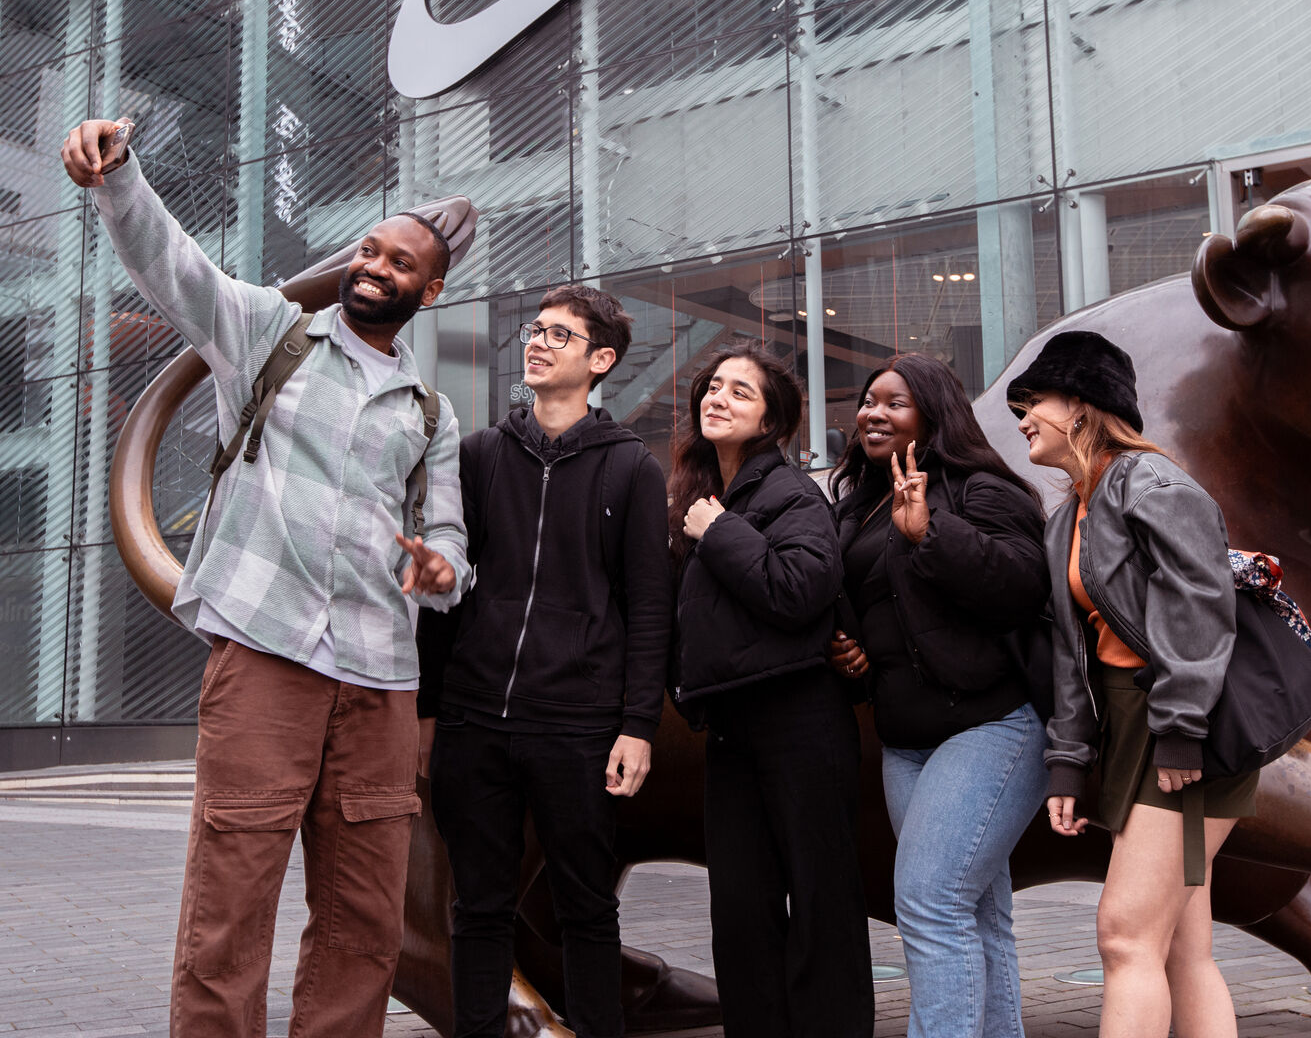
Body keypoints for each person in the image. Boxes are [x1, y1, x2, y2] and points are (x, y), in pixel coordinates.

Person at [60, 117, 471, 1038]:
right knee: (231, 902)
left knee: (366, 918)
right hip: (265, 654)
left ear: (430, 290)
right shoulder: (268, 336)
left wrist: (444, 566)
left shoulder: (430, 412)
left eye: (399, 262)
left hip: (379, 677)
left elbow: (445, 534)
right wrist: (118, 175)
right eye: (369, 248)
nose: (374, 265)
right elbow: (173, 265)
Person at [422, 284, 674, 1038]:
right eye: (536, 329)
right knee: (478, 908)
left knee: (586, 907)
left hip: (579, 726)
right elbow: (447, 596)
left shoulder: (632, 469)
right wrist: (430, 713)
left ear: (600, 361)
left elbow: (648, 608)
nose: (537, 342)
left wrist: (637, 726)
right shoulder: (477, 458)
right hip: (475, 720)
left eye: (560, 335)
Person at [1012, 330, 1249, 1038]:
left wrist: (1180, 731)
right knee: (1179, 946)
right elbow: (1071, 653)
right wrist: (1068, 760)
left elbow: (1201, 611)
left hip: (1183, 726)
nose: (1022, 417)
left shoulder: (1153, 485)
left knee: (1124, 935)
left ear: (1082, 407)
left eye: (1036, 401)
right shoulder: (1069, 518)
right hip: (1132, 726)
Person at [824, 352, 1050, 1038]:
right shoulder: (857, 507)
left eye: (894, 402)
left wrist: (932, 534)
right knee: (976, 909)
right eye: (868, 401)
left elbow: (1021, 587)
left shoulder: (982, 490)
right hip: (907, 740)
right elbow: (878, 607)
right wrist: (853, 651)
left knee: (928, 900)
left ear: (933, 413)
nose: (874, 412)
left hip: (992, 725)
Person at [667, 345, 872, 1038]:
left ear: (770, 420)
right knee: (742, 914)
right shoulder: (705, 499)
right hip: (733, 729)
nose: (717, 399)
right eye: (712, 387)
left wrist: (719, 532)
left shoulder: (789, 494)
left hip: (801, 724)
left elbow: (800, 589)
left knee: (822, 909)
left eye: (740, 393)